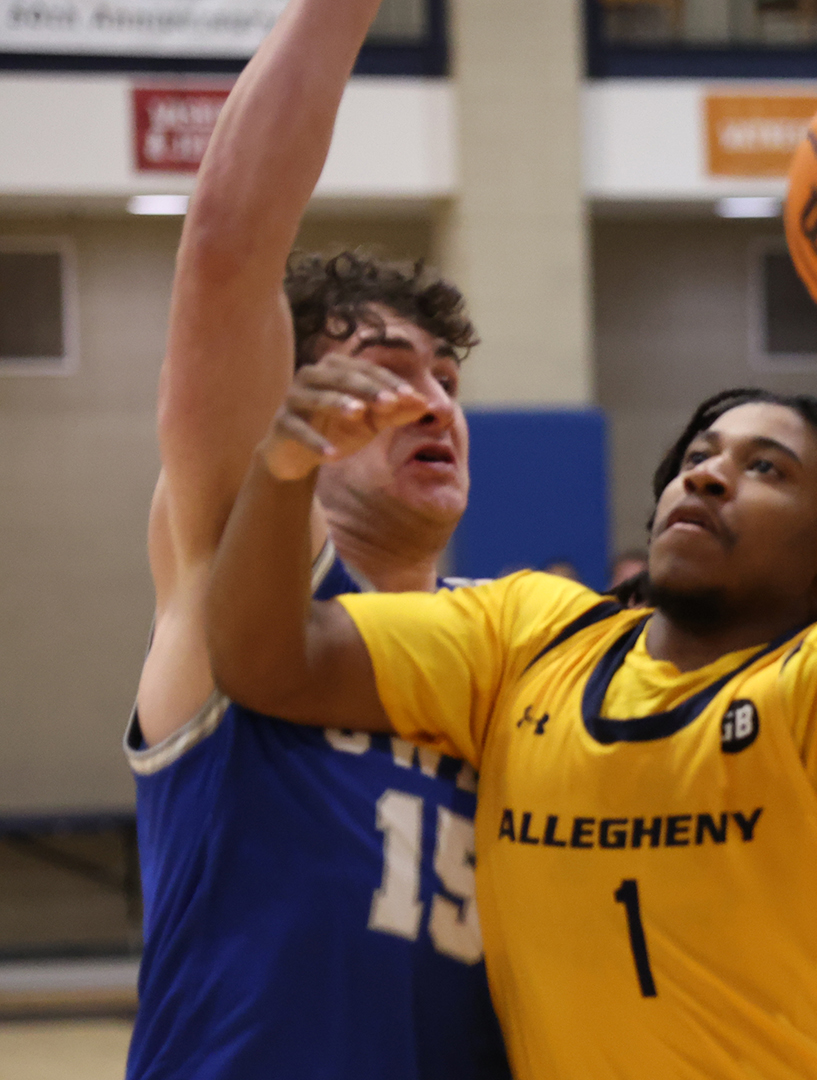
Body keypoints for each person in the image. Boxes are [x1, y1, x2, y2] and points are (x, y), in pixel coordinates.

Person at [204, 294, 817, 1077]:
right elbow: (265, 658)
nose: (705, 474)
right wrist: (285, 473)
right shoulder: (526, 637)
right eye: (698, 455)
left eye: (764, 468)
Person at [125, 2, 505, 1077]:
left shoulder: (508, 649)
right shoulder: (234, 582)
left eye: (449, 381)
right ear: (289, 404)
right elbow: (228, 250)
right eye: (390, 369)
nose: (433, 403)